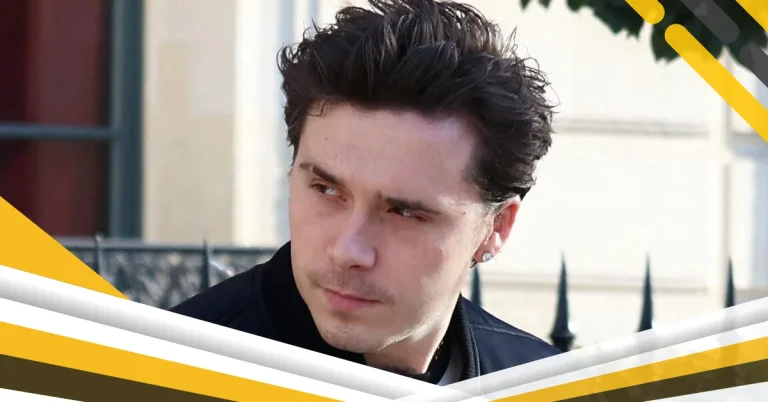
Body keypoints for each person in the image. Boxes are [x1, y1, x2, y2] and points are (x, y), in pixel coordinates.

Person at [171, 0, 559, 385]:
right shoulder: (172, 372)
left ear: (497, 227)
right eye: (326, 190)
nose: (348, 250)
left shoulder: (538, 383)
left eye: (404, 213)